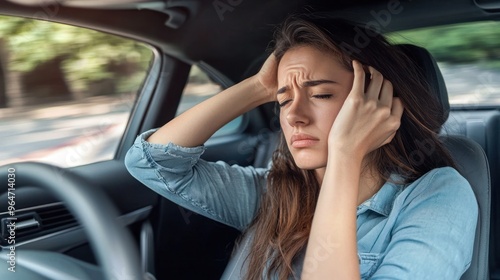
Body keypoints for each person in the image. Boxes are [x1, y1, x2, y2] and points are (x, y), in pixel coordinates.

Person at [125, 14, 478, 279]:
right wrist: (259, 87)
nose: (294, 115)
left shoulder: (439, 195)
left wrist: (345, 154)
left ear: (377, 103)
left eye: (321, 94)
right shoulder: (276, 192)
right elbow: (150, 160)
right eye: (282, 101)